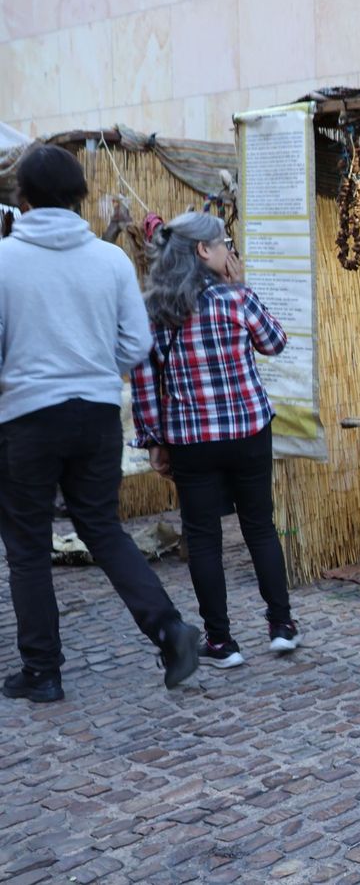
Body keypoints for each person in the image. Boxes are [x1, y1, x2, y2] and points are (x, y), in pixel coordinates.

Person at [0, 145, 201, 702]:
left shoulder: (4, 260)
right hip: (96, 414)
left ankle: (43, 672)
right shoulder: (110, 261)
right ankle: (169, 631)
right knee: (102, 529)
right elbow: (136, 346)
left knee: (27, 545)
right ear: (79, 198)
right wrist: (91, 372)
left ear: (24, 199)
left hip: (26, 419)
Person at [132, 211, 298, 670]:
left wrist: (153, 440)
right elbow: (275, 342)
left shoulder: (154, 310)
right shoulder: (236, 298)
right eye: (224, 242)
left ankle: (222, 642)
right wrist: (243, 287)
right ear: (204, 250)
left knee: (203, 539)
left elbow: (144, 383)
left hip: (191, 438)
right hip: (248, 430)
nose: (230, 250)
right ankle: (281, 626)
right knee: (259, 525)